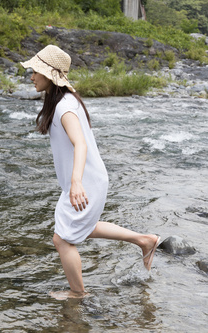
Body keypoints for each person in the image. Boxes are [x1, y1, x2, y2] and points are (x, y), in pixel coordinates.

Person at [20, 45, 161, 300]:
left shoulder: (64, 107)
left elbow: (80, 143)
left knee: (62, 239)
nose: (31, 76)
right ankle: (145, 240)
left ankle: (78, 293)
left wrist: (75, 182)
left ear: (51, 74)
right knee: (84, 226)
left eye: (35, 71)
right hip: (90, 179)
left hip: (85, 181)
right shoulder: (65, 100)